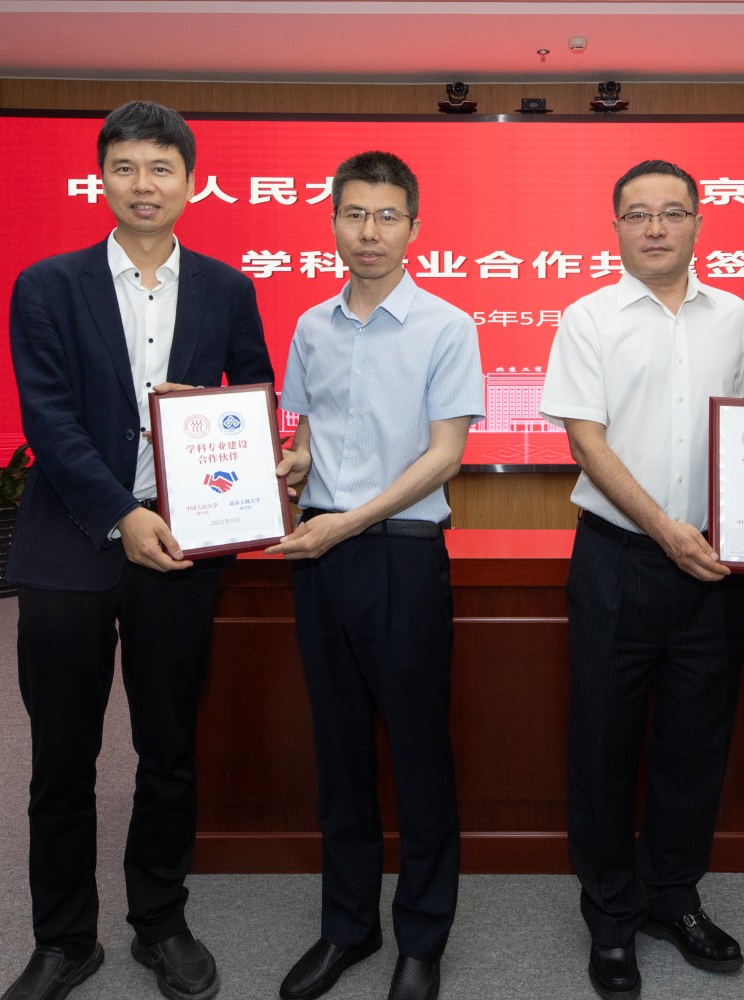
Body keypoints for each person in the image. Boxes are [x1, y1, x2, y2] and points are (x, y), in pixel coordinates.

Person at [2, 100, 272, 1000]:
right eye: (125, 168)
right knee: (61, 756)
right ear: (101, 178)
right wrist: (122, 512)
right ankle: (62, 939)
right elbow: (49, 420)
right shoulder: (47, 285)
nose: (143, 184)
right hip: (72, 545)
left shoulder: (228, 288)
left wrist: (243, 431)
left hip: (186, 545)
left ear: (191, 182)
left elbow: (256, 391)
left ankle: (161, 922)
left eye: (161, 168)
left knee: (169, 747)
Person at [539, 159, 744, 1000]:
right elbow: (587, 442)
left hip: (711, 562)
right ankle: (609, 915)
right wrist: (664, 529)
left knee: (694, 741)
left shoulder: (734, 315)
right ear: (615, 228)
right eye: (638, 214)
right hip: (618, 558)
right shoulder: (588, 317)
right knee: (603, 745)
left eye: (672, 212)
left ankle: (673, 896)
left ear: (699, 222)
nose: (656, 227)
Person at [267, 150, 484, 1000]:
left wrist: (345, 522)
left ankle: (422, 939)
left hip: (400, 553)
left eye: (387, 216)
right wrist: (294, 464)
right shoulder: (311, 326)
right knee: (339, 747)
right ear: (332, 223)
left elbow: (445, 456)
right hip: (321, 553)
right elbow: (310, 431)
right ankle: (347, 926)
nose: (370, 231)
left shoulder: (446, 325)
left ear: (414, 228)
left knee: (419, 752)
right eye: (354, 214)